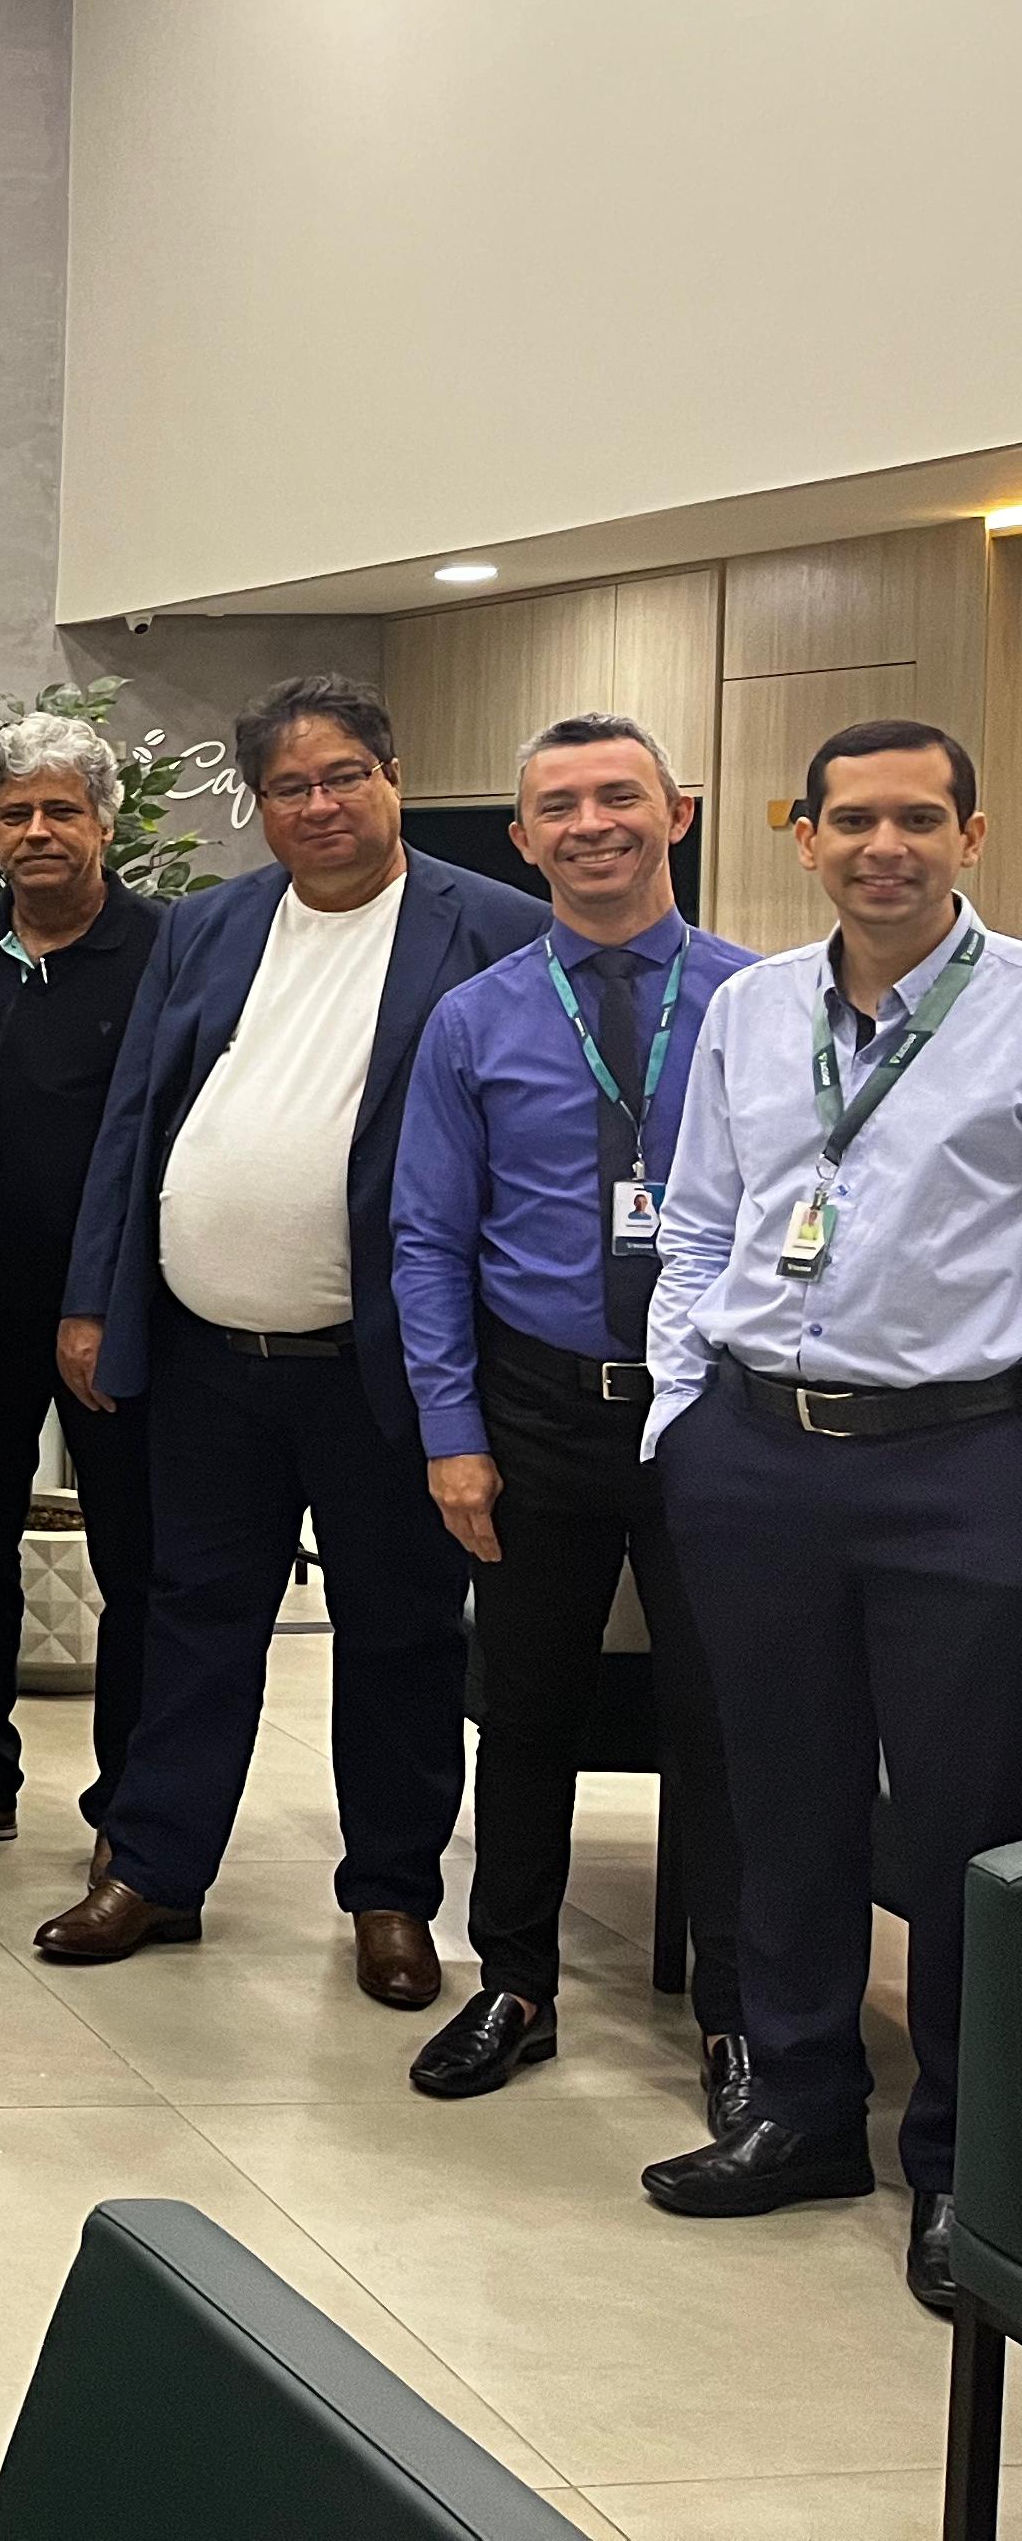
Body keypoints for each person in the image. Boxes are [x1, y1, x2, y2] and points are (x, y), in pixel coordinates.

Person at [38, 675, 545, 1998]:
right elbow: (136, 1121)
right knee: (192, 1619)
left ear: (393, 777)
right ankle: (156, 1868)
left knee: (400, 1636)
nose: (319, 806)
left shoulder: (497, 930)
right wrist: (93, 1299)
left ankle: (391, 1896)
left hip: (385, 1369)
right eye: (289, 787)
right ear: (258, 805)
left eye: (343, 778)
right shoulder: (210, 926)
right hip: (209, 1361)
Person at [634, 718, 1022, 2320]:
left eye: (919, 819)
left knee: (961, 1823)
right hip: (757, 1455)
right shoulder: (752, 1007)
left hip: (962, 1461)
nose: (885, 848)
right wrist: (679, 1417)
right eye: (852, 820)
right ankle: (799, 2109)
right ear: (804, 836)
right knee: (780, 1794)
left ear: (971, 837)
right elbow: (700, 1223)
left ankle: (965, 2168)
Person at [389, 713, 751, 2116]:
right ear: (523, 838)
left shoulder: (757, 1005)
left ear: (678, 814)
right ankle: (516, 1982)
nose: (592, 825)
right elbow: (428, 1242)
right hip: (541, 1406)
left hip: (713, 1410)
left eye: (620, 796)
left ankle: (740, 2015)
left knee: (723, 1719)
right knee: (527, 1706)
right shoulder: (476, 1019)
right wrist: (452, 1434)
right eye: (560, 806)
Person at [0, 712, 164, 1848]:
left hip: (120, 1312)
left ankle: (131, 1808)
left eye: (62, 810)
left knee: (135, 1559)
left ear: (104, 822)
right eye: (16, 814)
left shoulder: (167, 952)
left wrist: (103, 1300)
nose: (39, 832)